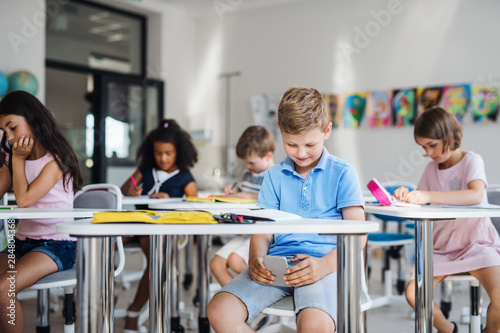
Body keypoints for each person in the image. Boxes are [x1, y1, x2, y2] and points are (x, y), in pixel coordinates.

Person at [207, 86, 366, 333]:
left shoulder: (343, 173)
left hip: (325, 266)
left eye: (309, 144)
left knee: (315, 325)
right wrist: (255, 259)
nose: (301, 153)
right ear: (279, 129)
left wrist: (323, 265)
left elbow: (359, 235)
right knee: (219, 310)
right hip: (278, 266)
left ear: (327, 131)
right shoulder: (273, 176)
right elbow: (263, 230)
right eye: (292, 144)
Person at [394, 106, 500, 333]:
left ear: (449, 135)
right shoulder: (431, 169)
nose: (429, 152)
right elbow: (420, 200)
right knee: (414, 294)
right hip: (441, 248)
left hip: (476, 244)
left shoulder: (472, 161)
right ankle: (447, 329)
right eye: (424, 147)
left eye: (432, 145)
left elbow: (475, 195)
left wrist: (428, 195)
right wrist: (407, 195)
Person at [0, 91, 83, 333]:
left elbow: (24, 200)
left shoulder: (56, 160)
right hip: (21, 243)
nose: (9, 136)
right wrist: (11, 159)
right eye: (4, 132)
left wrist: (17, 159)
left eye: (12, 127)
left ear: (33, 119)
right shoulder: (12, 157)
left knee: (5, 288)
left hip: (57, 245)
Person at [120, 118, 198, 332]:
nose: (162, 158)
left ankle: (133, 312)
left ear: (178, 153)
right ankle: (107, 293)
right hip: (137, 222)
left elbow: (194, 208)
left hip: (158, 229)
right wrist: (131, 189)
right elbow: (125, 188)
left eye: (168, 153)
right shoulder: (145, 169)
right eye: (158, 153)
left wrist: (169, 201)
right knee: (104, 242)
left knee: (156, 262)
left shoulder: (185, 178)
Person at [211, 125, 275, 287]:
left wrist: (249, 196)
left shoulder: (274, 175)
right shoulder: (249, 174)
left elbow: (274, 200)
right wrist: (234, 192)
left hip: (261, 233)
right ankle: (241, 305)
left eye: (251, 162)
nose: (247, 166)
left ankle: (259, 299)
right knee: (216, 264)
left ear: (268, 156)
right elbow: (243, 192)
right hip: (244, 230)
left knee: (235, 260)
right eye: (246, 162)